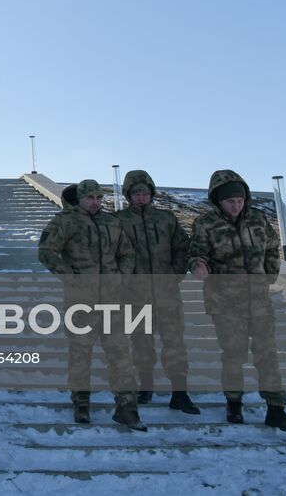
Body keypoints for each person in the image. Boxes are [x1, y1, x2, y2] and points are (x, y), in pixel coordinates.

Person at [189, 170, 286, 432]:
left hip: (258, 300)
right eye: (230, 202)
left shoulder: (258, 220)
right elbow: (196, 252)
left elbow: (272, 248)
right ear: (218, 201)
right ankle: (234, 402)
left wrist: (270, 273)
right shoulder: (205, 224)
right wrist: (198, 266)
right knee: (233, 354)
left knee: (267, 355)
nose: (236, 206)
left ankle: (276, 408)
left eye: (239, 200)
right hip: (225, 301)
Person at [38, 179, 146, 430]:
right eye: (90, 198)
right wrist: (72, 277)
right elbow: (46, 251)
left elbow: (127, 253)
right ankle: (81, 404)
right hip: (81, 301)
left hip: (112, 300)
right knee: (80, 356)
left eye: (99, 198)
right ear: (80, 199)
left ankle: (127, 408)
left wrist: (121, 276)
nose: (96, 202)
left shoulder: (112, 222)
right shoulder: (65, 221)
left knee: (121, 355)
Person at [116, 170, 200, 414]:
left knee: (174, 342)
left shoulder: (166, 219)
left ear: (151, 194)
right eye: (136, 193)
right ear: (128, 195)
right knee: (141, 341)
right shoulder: (119, 220)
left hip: (167, 294)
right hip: (134, 294)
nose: (141, 197)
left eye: (144, 193)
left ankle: (180, 392)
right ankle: (146, 386)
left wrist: (174, 275)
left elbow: (181, 247)